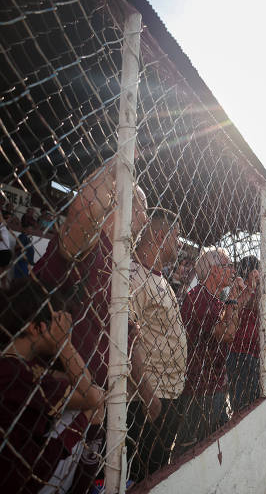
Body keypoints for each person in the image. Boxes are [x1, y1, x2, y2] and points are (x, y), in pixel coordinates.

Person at [31, 158, 159, 493]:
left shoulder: (118, 263)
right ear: (117, 203)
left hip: (99, 409)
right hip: (62, 406)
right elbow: (82, 217)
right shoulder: (88, 247)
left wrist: (145, 391)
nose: (146, 217)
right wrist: (113, 171)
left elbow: (129, 334)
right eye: (141, 206)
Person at [0, 279, 104, 493]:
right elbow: (90, 395)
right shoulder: (21, 374)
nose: (65, 329)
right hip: (26, 479)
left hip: (19, 469)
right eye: (57, 322)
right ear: (36, 327)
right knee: (95, 404)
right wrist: (64, 344)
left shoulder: (13, 363)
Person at [126, 208, 186, 482]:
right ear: (161, 236)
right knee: (142, 476)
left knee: (157, 473)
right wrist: (148, 395)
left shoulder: (160, 278)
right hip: (147, 399)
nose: (181, 243)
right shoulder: (135, 276)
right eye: (177, 236)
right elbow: (126, 339)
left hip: (168, 393)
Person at [175, 248, 248, 455]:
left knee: (215, 440)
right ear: (214, 271)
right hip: (200, 385)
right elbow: (228, 334)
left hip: (212, 381)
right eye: (228, 266)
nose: (233, 270)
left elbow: (231, 326)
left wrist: (236, 298)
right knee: (191, 448)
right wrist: (233, 298)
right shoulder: (199, 298)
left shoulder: (214, 298)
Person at [228, 252, 266, 412]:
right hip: (241, 353)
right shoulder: (241, 290)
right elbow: (251, 305)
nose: (263, 274)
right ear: (251, 272)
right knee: (243, 404)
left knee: (258, 397)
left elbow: (264, 323)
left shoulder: (257, 292)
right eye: (259, 270)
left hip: (258, 352)